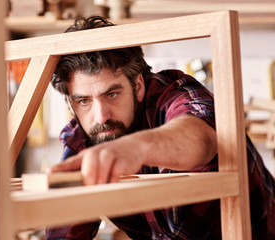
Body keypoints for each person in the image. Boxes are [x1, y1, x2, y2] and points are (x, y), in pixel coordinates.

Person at [45, 16, 275, 240]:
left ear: (138, 86)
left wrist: (135, 148)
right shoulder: (85, 138)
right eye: (84, 101)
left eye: (112, 94)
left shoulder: (173, 95)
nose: (101, 116)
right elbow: (64, 229)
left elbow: (201, 137)